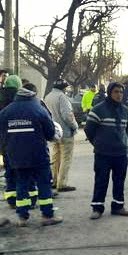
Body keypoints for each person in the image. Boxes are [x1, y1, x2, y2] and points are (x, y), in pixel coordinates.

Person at [0, 83, 63, 227]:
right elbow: (50, 133)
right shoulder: (38, 109)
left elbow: (1, 135)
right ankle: (47, 216)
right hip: (38, 155)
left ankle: (22, 217)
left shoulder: (5, 112)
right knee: (43, 183)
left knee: (21, 183)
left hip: (16, 156)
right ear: (32, 96)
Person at [84, 82, 128, 220]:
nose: (119, 95)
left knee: (119, 181)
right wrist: (98, 144)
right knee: (101, 180)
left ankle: (118, 206)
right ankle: (97, 208)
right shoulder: (98, 110)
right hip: (103, 153)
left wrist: (123, 144)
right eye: (116, 92)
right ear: (110, 93)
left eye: (121, 92)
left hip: (120, 154)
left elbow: (126, 130)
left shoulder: (126, 111)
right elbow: (89, 130)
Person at [45, 78, 78, 192]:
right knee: (66, 158)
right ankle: (62, 183)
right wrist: (75, 126)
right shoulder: (62, 97)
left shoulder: (48, 97)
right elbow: (67, 115)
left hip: (54, 132)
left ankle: (54, 181)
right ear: (64, 87)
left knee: (55, 157)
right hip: (65, 132)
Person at [1, 75, 24, 208]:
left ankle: (11, 198)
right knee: (23, 172)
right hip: (20, 140)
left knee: (9, 170)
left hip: (4, 142)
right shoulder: (19, 99)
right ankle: (25, 199)